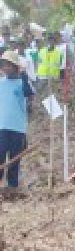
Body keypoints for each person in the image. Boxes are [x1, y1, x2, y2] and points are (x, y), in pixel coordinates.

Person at [0, 50, 34, 192]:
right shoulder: (1, 82)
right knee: (0, 155)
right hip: (2, 125)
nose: (6, 67)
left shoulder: (23, 83)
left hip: (18, 127)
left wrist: (24, 75)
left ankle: (12, 186)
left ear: (15, 67)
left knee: (15, 158)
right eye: (4, 64)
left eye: (9, 65)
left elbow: (29, 94)